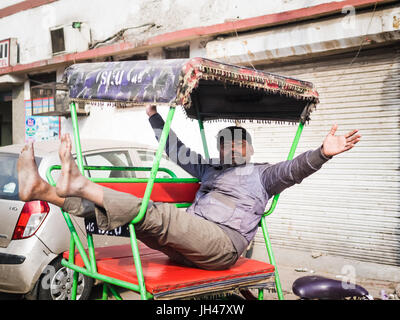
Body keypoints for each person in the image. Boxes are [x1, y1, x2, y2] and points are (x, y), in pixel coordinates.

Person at [17, 105, 361, 270]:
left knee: (160, 214)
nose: (231, 149)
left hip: (221, 245)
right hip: (182, 247)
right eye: (225, 144)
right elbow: (173, 149)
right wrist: (153, 115)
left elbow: (296, 168)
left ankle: (79, 182)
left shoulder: (264, 174)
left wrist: (322, 153)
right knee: (123, 218)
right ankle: (43, 191)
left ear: (250, 150)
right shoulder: (208, 168)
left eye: (239, 144)